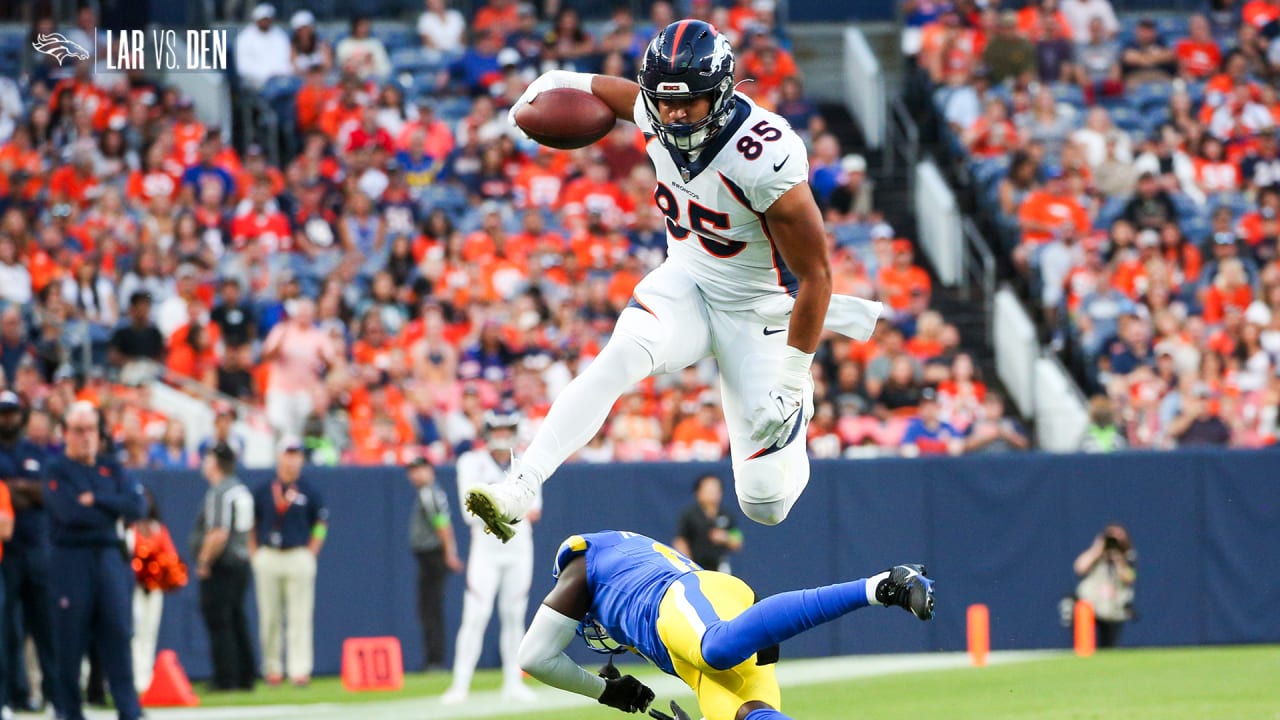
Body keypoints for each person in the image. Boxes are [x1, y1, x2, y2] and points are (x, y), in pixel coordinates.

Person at [468, 19, 883, 542]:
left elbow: (817, 276)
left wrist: (789, 380)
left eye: (691, 101)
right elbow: (577, 84)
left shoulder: (765, 155)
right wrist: (530, 98)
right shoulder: (654, 105)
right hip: (687, 280)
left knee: (764, 502)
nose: (676, 114)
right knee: (618, 357)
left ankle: (800, 408)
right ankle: (520, 486)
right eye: (665, 103)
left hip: (758, 312)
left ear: (725, 91)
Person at [517, 530, 934, 720]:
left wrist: (605, 691)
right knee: (739, 715)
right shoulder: (624, 566)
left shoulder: (582, 561)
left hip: (687, 599)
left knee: (714, 647)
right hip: (701, 632)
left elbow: (534, 656)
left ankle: (882, 585)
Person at [44, 401, 145, 720]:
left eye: (91, 429)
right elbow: (69, 512)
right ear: (65, 434)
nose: (86, 437)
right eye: (78, 430)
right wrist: (111, 508)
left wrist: (98, 499)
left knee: (118, 632)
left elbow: (137, 506)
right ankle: (69, 711)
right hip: (70, 559)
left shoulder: (112, 467)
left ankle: (129, 710)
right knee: (69, 639)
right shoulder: (56, 469)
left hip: (110, 558)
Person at [443, 409, 540, 704]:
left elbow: (534, 511)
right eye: (496, 429)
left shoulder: (526, 462)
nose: (501, 435)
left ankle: (513, 681)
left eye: (506, 428)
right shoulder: (471, 462)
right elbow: (469, 511)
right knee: (475, 616)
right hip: (485, 552)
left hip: (518, 551)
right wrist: (508, 507)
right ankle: (460, 684)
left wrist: (494, 505)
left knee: (514, 616)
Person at [250, 437, 327, 687]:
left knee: (300, 616)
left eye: (297, 454)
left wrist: (311, 551)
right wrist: (255, 553)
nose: (292, 459)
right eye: (288, 453)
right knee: (269, 616)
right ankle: (272, 668)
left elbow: (322, 523)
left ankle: (299, 670)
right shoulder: (263, 490)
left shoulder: (309, 491)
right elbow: (252, 523)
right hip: (269, 555)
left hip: (297, 554)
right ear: (279, 457)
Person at [0, 391, 59, 716]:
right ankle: (9, 697)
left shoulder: (34, 451)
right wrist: (23, 490)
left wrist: (13, 487)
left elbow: (46, 494)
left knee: (45, 627)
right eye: (2, 413)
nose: (7, 418)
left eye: (11, 412)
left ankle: (52, 696)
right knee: (7, 629)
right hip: (5, 554)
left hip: (37, 550)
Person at [192, 443, 256, 691]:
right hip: (240, 563)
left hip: (223, 564)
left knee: (220, 621)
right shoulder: (240, 489)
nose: (204, 464)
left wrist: (204, 560)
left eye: (207, 460)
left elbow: (218, 533)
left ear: (216, 463)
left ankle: (226, 677)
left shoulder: (220, 492)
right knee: (237, 618)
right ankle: (245, 674)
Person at [128, 487, 186, 695]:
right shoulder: (129, 529)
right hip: (133, 589)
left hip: (153, 589)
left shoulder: (158, 529)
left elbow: (170, 557)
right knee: (132, 632)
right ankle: (132, 675)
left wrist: (157, 575)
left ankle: (145, 677)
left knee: (148, 632)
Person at [407, 457, 462, 672]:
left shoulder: (429, 492)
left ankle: (435, 661)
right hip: (430, 556)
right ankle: (433, 659)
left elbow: (442, 525)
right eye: (412, 470)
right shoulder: (431, 491)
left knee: (431, 609)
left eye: (419, 469)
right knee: (429, 609)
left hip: (432, 555)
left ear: (429, 470)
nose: (414, 475)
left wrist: (450, 553)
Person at [1072, 523, 1136, 648]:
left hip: (1113, 609)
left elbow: (1129, 578)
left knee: (1108, 648)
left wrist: (1118, 559)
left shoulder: (1128, 557)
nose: (1113, 541)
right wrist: (1097, 549)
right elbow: (1079, 568)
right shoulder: (1096, 554)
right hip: (1090, 605)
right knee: (1085, 647)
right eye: (1110, 537)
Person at [672, 474, 743, 573]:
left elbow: (737, 540)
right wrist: (688, 564)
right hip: (696, 567)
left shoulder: (726, 515)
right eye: (708, 490)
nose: (712, 493)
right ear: (699, 492)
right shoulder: (690, 515)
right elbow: (680, 541)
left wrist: (725, 538)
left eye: (715, 490)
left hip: (719, 568)